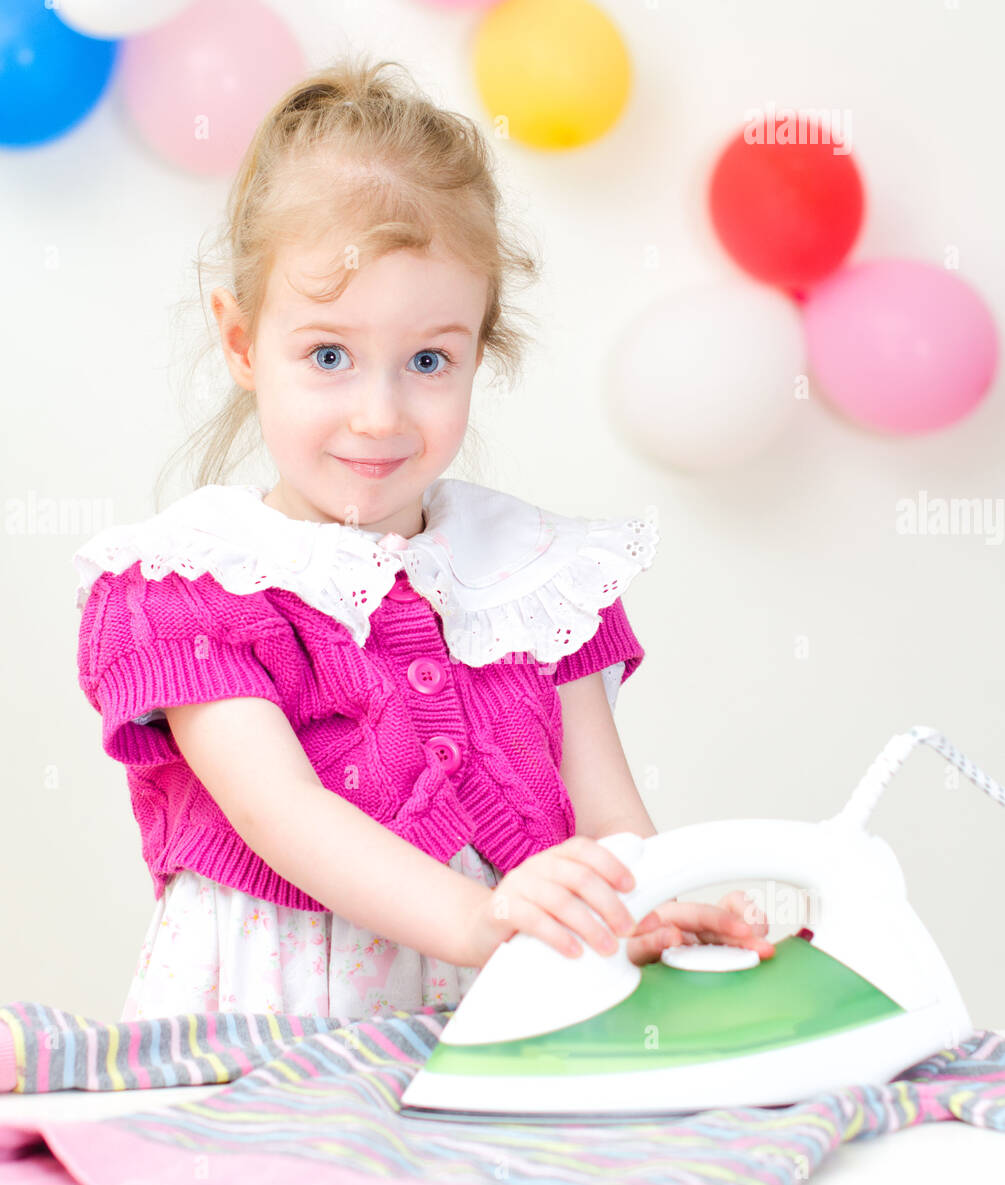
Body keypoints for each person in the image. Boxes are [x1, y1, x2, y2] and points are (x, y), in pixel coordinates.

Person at [73, 55, 770, 1023]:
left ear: (479, 349)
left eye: (428, 359)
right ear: (240, 342)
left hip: (501, 994)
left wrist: (651, 908)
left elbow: (612, 817)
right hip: (283, 1013)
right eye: (328, 354)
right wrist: (487, 923)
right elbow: (286, 816)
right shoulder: (193, 588)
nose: (378, 414)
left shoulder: (538, 575)